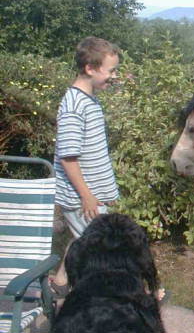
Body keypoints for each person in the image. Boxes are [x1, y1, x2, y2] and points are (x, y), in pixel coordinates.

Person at [51, 36, 120, 295]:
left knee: (81, 238)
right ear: (90, 68)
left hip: (90, 192)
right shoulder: (73, 106)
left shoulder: (89, 98)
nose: (113, 76)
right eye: (111, 70)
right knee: (100, 246)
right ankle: (106, 296)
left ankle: (60, 282)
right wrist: (88, 196)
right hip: (81, 195)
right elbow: (68, 158)